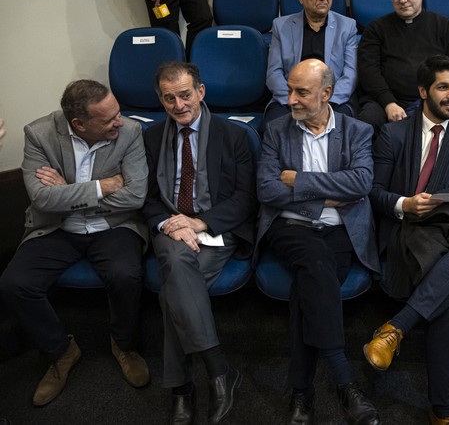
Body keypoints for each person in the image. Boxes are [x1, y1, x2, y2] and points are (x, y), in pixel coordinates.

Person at [365, 55, 449, 425]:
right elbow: (373, 192)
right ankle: (443, 409)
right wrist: (404, 204)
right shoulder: (392, 134)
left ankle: (396, 328)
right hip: (408, 229)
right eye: (444, 87)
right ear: (423, 91)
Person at [0, 80, 150, 406]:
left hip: (113, 225)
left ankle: (124, 345)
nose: (119, 122)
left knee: (126, 275)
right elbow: (42, 201)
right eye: (108, 119)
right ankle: (60, 352)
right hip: (57, 228)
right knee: (15, 283)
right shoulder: (39, 134)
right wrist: (102, 186)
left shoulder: (130, 133)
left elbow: (135, 196)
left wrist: (66, 191)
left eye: (118, 113)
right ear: (79, 124)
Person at [256, 59, 381, 425]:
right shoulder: (276, 129)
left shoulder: (357, 131)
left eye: (301, 92)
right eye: (289, 90)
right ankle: (344, 381)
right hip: (289, 226)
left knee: (308, 287)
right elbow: (267, 189)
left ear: (326, 94)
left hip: (340, 229)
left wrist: (299, 180)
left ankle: (301, 392)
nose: (290, 99)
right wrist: (324, 197)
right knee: (313, 262)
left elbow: (360, 184)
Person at [143, 61, 257, 425]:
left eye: (186, 94)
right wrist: (169, 223)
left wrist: (200, 221)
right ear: (160, 101)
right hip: (172, 229)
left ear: (201, 91)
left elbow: (244, 198)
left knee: (171, 292)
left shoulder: (233, 135)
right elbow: (145, 198)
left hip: (216, 229)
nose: (179, 105)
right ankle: (217, 370)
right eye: (169, 98)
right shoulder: (149, 138)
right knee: (176, 262)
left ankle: (181, 387)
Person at [356, 0, 449, 135]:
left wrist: (430, 104)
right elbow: (368, 72)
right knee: (367, 123)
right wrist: (389, 103)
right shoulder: (375, 29)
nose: (402, 0)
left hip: (437, 99)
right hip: (387, 101)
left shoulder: (445, 26)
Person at [264, 0, 358, 128]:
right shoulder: (281, 26)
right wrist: (296, 99)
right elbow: (274, 74)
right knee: (272, 127)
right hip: (291, 100)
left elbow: (350, 75)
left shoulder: (347, 26)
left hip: (333, 100)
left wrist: (323, 102)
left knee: (343, 130)